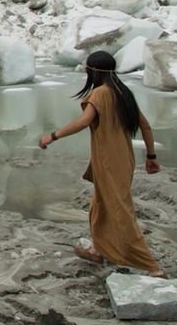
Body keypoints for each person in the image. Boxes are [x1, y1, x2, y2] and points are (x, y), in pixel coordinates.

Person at [37, 50, 166, 278]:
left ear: (94, 71)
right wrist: (151, 157)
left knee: (120, 211)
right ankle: (97, 250)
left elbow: (84, 121)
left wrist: (53, 136)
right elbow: (145, 126)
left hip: (109, 160)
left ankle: (151, 266)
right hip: (123, 158)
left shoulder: (100, 94)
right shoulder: (122, 92)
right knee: (99, 205)